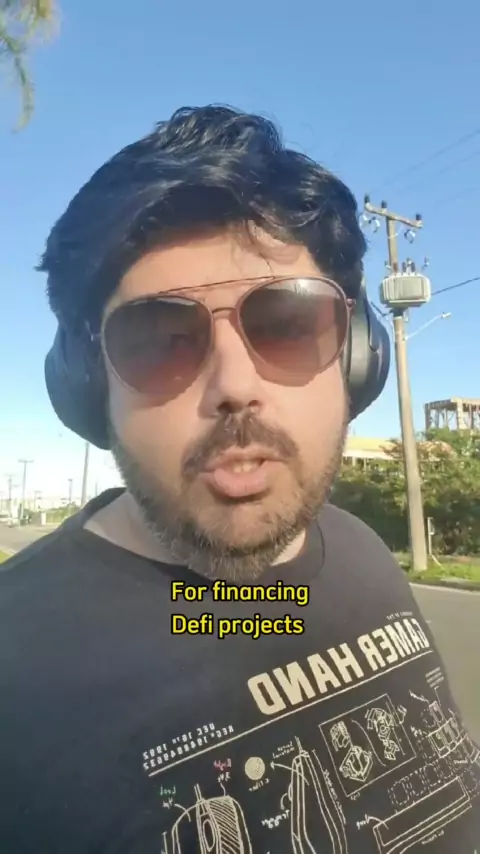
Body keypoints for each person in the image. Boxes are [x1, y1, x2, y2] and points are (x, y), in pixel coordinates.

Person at [0, 106, 478, 854]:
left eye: (287, 324)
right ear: (91, 388)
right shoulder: (16, 669)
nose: (235, 386)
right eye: (160, 340)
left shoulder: (361, 551)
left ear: (356, 358)